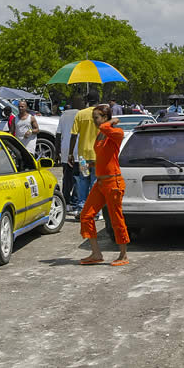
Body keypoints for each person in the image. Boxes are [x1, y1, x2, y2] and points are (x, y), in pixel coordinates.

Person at [79, 105, 130, 266]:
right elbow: (103, 157)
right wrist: (91, 165)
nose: (95, 121)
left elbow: (105, 127)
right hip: (100, 181)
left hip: (113, 182)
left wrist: (111, 121)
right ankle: (96, 253)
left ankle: (123, 255)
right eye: (93, 117)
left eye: (97, 117)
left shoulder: (116, 133)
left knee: (116, 219)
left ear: (106, 118)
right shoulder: (101, 133)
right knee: (86, 215)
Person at [68, 90, 101, 217]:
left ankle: (82, 208)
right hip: (97, 155)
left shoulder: (80, 114)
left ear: (87, 101)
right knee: (94, 181)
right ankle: (94, 211)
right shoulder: (102, 114)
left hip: (82, 156)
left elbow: (73, 135)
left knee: (83, 180)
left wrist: (70, 154)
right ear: (98, 101)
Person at [56, 96, 82, 210]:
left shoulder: (64, 115)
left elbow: (58, 134)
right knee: (80, 178)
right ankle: (76, 203)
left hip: (66, 151)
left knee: (67, 177)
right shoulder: (83, 114)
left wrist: (57, 151)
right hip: (80, 152)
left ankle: (65, 202)